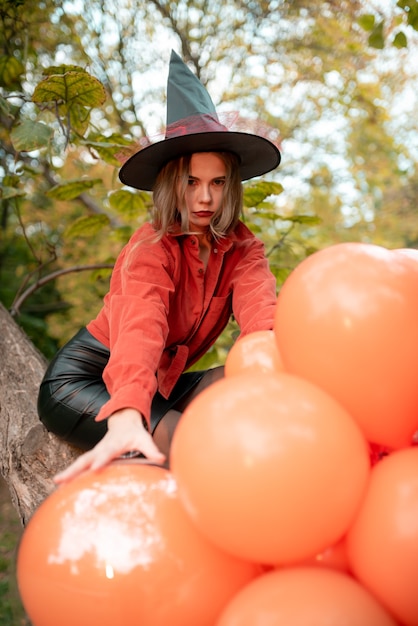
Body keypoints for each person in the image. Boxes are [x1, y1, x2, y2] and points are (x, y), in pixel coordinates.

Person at [37, 50, 281, 482]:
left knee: (245, 380)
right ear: (173, 184)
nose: (204, 198)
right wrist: (129, 412)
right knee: (193, 446)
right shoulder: (151, 248)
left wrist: (297, 379)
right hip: (88, 381)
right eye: (191, 182)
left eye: (217, 183)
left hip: (163, 384)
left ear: (232, 187)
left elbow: (263, 323)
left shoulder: (244, 247)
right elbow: (140, 329)